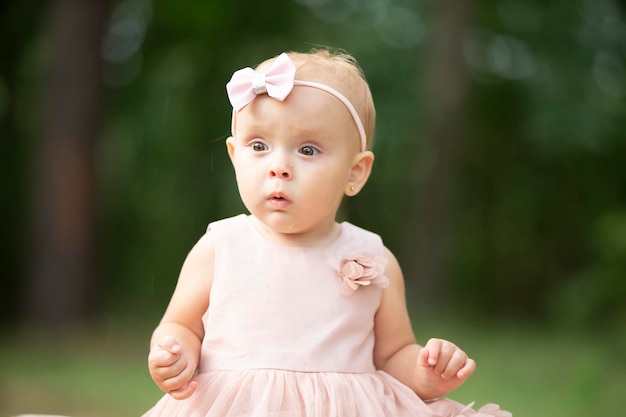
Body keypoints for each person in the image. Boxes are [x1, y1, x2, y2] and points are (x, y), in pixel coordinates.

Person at [143, 49, 511, 417]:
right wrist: (174, 352)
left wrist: (425, 373)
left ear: (355, 173)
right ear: (234, 154)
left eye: (307, 149)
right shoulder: (220, 247)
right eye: (259, 146)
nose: (279, 167)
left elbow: (393, 353)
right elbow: (180, 324)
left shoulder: (373, 258)